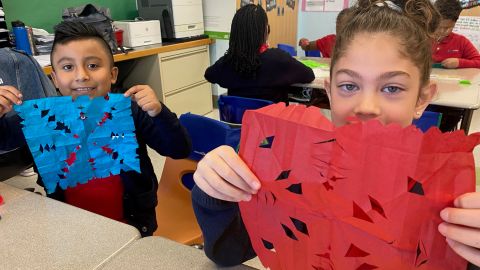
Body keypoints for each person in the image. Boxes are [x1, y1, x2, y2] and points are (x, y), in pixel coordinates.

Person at [193, 0, 480, 268]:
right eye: (349, 86)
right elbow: (227, 252)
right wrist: (216, 192)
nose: (367, 107)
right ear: (329, 91)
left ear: (421, 99)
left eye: (392, 88)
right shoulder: (295, 166)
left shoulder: (442, 198)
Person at [0, 21, 192, 237]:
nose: (81, 75)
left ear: (112, 74)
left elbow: (178, 149)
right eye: (67, 67)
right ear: (54, 78)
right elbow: (4, 143)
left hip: (132, 227)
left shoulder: (130, 110)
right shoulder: (42, 119)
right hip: (71, 227)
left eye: (92, 65)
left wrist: (158, 112)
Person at [204, 4, 314, 103]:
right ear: (265, 31)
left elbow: (209, 74)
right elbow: (309, 75)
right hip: (273, 123)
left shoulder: (228, 62)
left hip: (241, 123)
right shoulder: (278, 59)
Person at [428, 0, 480, 132]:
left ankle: (440, 134)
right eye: (440, 26)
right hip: (426, 94)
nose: (443, 31)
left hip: (451, 98)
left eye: (449, 27)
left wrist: (460, 62)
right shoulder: (422, 38)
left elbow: (478, 60)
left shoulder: (460, 41)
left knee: (452, 115)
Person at [432, 0, 480, 69]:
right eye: (438, 26)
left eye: (448, 28)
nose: (442, 31)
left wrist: (459, 63)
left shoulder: (461, 41)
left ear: (454, 23)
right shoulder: (420, 38)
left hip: (452, 79)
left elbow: (478, 62)